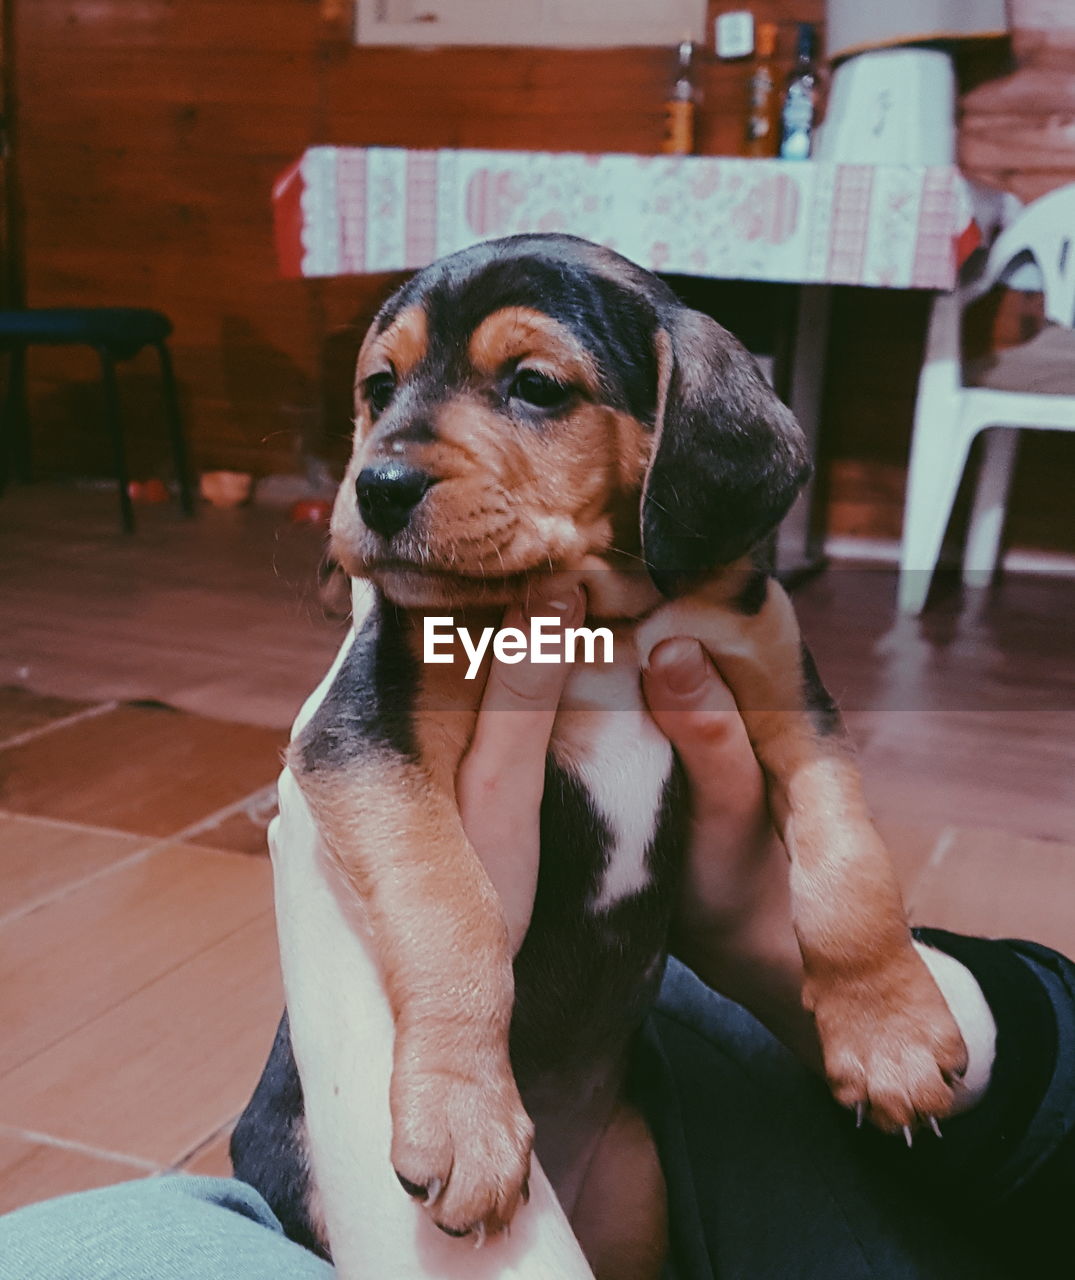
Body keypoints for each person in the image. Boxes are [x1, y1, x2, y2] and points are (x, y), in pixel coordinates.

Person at [2, 587, 1073, 1280]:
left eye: (536, 389)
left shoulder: (711, 589)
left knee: (79, 1254)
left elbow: (336, 755)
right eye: (382, 395)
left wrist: (344, 943)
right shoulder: (521, 609)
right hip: (963, 1135)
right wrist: (769, 938)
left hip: (554, 1130)